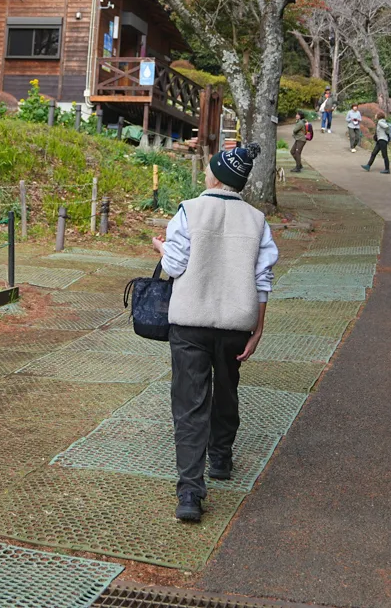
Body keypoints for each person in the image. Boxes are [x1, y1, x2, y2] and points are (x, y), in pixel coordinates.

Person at [152, 143, 278, 524]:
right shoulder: (257, 220)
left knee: (190, 404)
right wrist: (258, 327)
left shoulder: (190, 210)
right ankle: (220, 458)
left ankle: (190, 492)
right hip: (236, 321)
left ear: (214, 174)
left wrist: (159, 247)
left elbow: (174, 265)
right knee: (227, 386)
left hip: (190, 321)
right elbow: (263, 278)